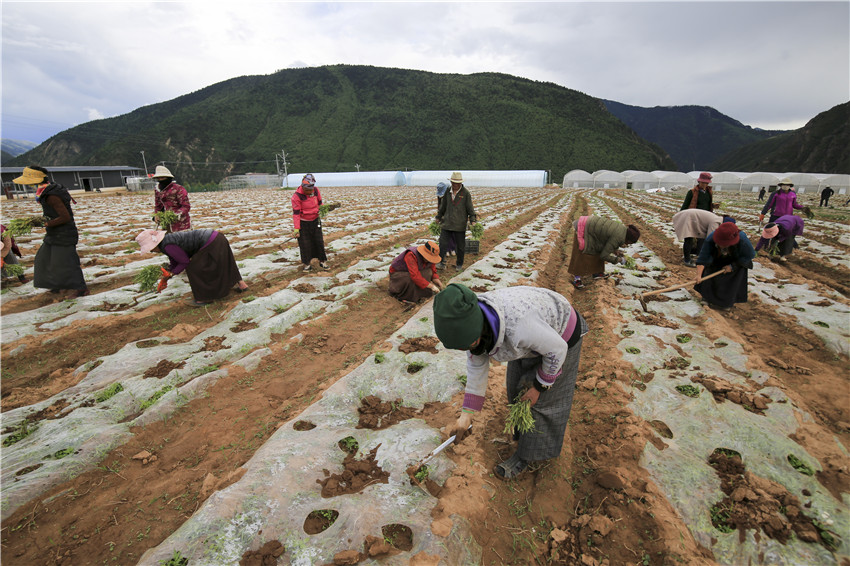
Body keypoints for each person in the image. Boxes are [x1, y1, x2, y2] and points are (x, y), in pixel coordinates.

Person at [434, 283, 587, 480]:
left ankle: (526, 456)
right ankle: (521, 434)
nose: (468, 349)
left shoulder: (519, 328)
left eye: (470, 344)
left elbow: (557, 350)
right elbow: (476, 367)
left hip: (562, 336)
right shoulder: (473, 325)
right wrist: (466, 415)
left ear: (479, 327)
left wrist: (539, 387)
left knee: (538, 403)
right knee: (516, 388)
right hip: (535, 337)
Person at [12, 165, 89, 297]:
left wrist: (46, 223)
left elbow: (65, 217)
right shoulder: (47, 190)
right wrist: (41, 221)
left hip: (64, 233)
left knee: (67, 262)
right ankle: (56, 285)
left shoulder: (51, 195)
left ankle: (81, 289)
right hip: (54, 233)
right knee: (44, 259)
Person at [135, 228, 248, 306]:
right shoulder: (166, 241)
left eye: (150, 249)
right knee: (227, 261)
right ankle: (242, 285)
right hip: (217, 237)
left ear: (154, 245)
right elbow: (175, 259)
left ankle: (203, 298)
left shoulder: (167, 245)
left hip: (211, 242)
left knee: (194, 267)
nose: (152, 251)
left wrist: (172, 273)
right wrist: (168, 274)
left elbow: (184, 262)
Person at [694, 221, 755, 311]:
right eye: (720, 243)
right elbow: (703, 257)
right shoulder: (711, 238)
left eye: (724, 244)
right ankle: (706, 297)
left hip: (736, 260)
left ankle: (726, 303)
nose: (722, 246)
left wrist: (732, 266)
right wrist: (699, 275)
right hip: (717, 258)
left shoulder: (742, 239)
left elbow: (749, 255)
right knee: (709, 271)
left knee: (732, 280)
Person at [568, 215, 640, 289]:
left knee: (599, 248)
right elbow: (604, 256)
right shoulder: (618, 237)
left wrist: (615, 251)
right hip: (584, 227)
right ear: (628, 239)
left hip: (592, 227)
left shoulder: (623, 231)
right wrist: (619, 260)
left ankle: (597, 272)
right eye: (630, 243)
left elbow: (607, 242)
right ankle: (577, 279)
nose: (628, 244)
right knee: (582, 253)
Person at [436, 172, 477, 272]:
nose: (455, 185)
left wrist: (473, 220)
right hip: (447, 223)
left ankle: (459, 264)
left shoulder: (465, 193)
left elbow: (470, 208)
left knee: (460, 246)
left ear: (460, 183)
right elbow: (443, 206)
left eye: (457, 183)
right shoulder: (447, 191)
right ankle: (441, 263)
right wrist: (439, 216)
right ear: (451, 182)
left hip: (459, 224)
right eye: (453, 182)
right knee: (442, 244)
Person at [291, 173, 328, 272]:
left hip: (315, 220)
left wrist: (324, 209)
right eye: (307, 190)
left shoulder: (316, 191)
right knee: (305, 244)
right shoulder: (296, 196)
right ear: (302, 187)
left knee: (319, 241)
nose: (309, 192)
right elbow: (296, 214)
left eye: (310, 189)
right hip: (303, 222)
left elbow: (320, 203)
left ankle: (322, 261)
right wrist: (296, 228)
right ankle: (307, 264)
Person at [153, 165, 191, 232]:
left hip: (180, 223)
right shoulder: (158, 190)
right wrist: (156, 215)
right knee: (167, 237)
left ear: (168, 178)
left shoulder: (178, 189)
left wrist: (176, 214)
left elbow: (186, 206)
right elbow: (158, 206)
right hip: (166, 222)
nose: (161, 180)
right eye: (159, 178)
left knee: (181, 237)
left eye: (162, 177)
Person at [435, 182, 455, 257]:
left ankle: (452, 249)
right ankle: (446, 250)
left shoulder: (452, 196)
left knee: (452, 233)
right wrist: (439, 217)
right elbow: (439, 207)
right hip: (444, 218)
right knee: (444, 234)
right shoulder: (440, 198)